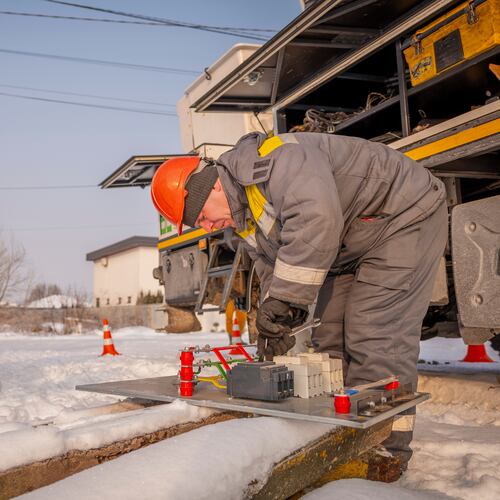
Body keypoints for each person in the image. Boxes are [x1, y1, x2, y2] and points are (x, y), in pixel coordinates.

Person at [150, 131, 448, 469]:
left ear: (212, 187)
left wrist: (287, 299)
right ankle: (342, 439)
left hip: (400, 215)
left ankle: (384, 454)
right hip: (349, 244)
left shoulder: (278, 160)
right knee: (329, 342)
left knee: (375, 334)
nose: (206, 227)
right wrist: (274, 317)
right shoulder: (243, 220)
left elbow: (316, 220)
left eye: (201, 216)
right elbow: (272, 267)